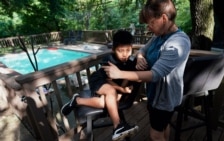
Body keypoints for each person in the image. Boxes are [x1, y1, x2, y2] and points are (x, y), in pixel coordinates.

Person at [103, 0, 191, 141]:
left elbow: (155, 74)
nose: (149, 28)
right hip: (155, 95)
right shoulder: (158, 36)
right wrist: (140, 57)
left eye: (151, 23)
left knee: (155, 135)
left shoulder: (179, 42)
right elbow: (143, 50)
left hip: (165, 99)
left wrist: (119, 74)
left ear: (163, 18)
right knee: (163, 126)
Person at [61, 30, 139, 141]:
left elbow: (126, 77)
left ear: (132, 48)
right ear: (113, 49)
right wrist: (121, 89)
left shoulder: (130, 62)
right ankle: (118, 126)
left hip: (113, 86)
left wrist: (122, 91)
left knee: (105, 102)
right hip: (100, 81)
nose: (125, 54)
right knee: (111, 92)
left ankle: (77, 101)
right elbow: (109, 81)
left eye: (128, 50)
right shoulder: (109, 60)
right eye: (120, 51)